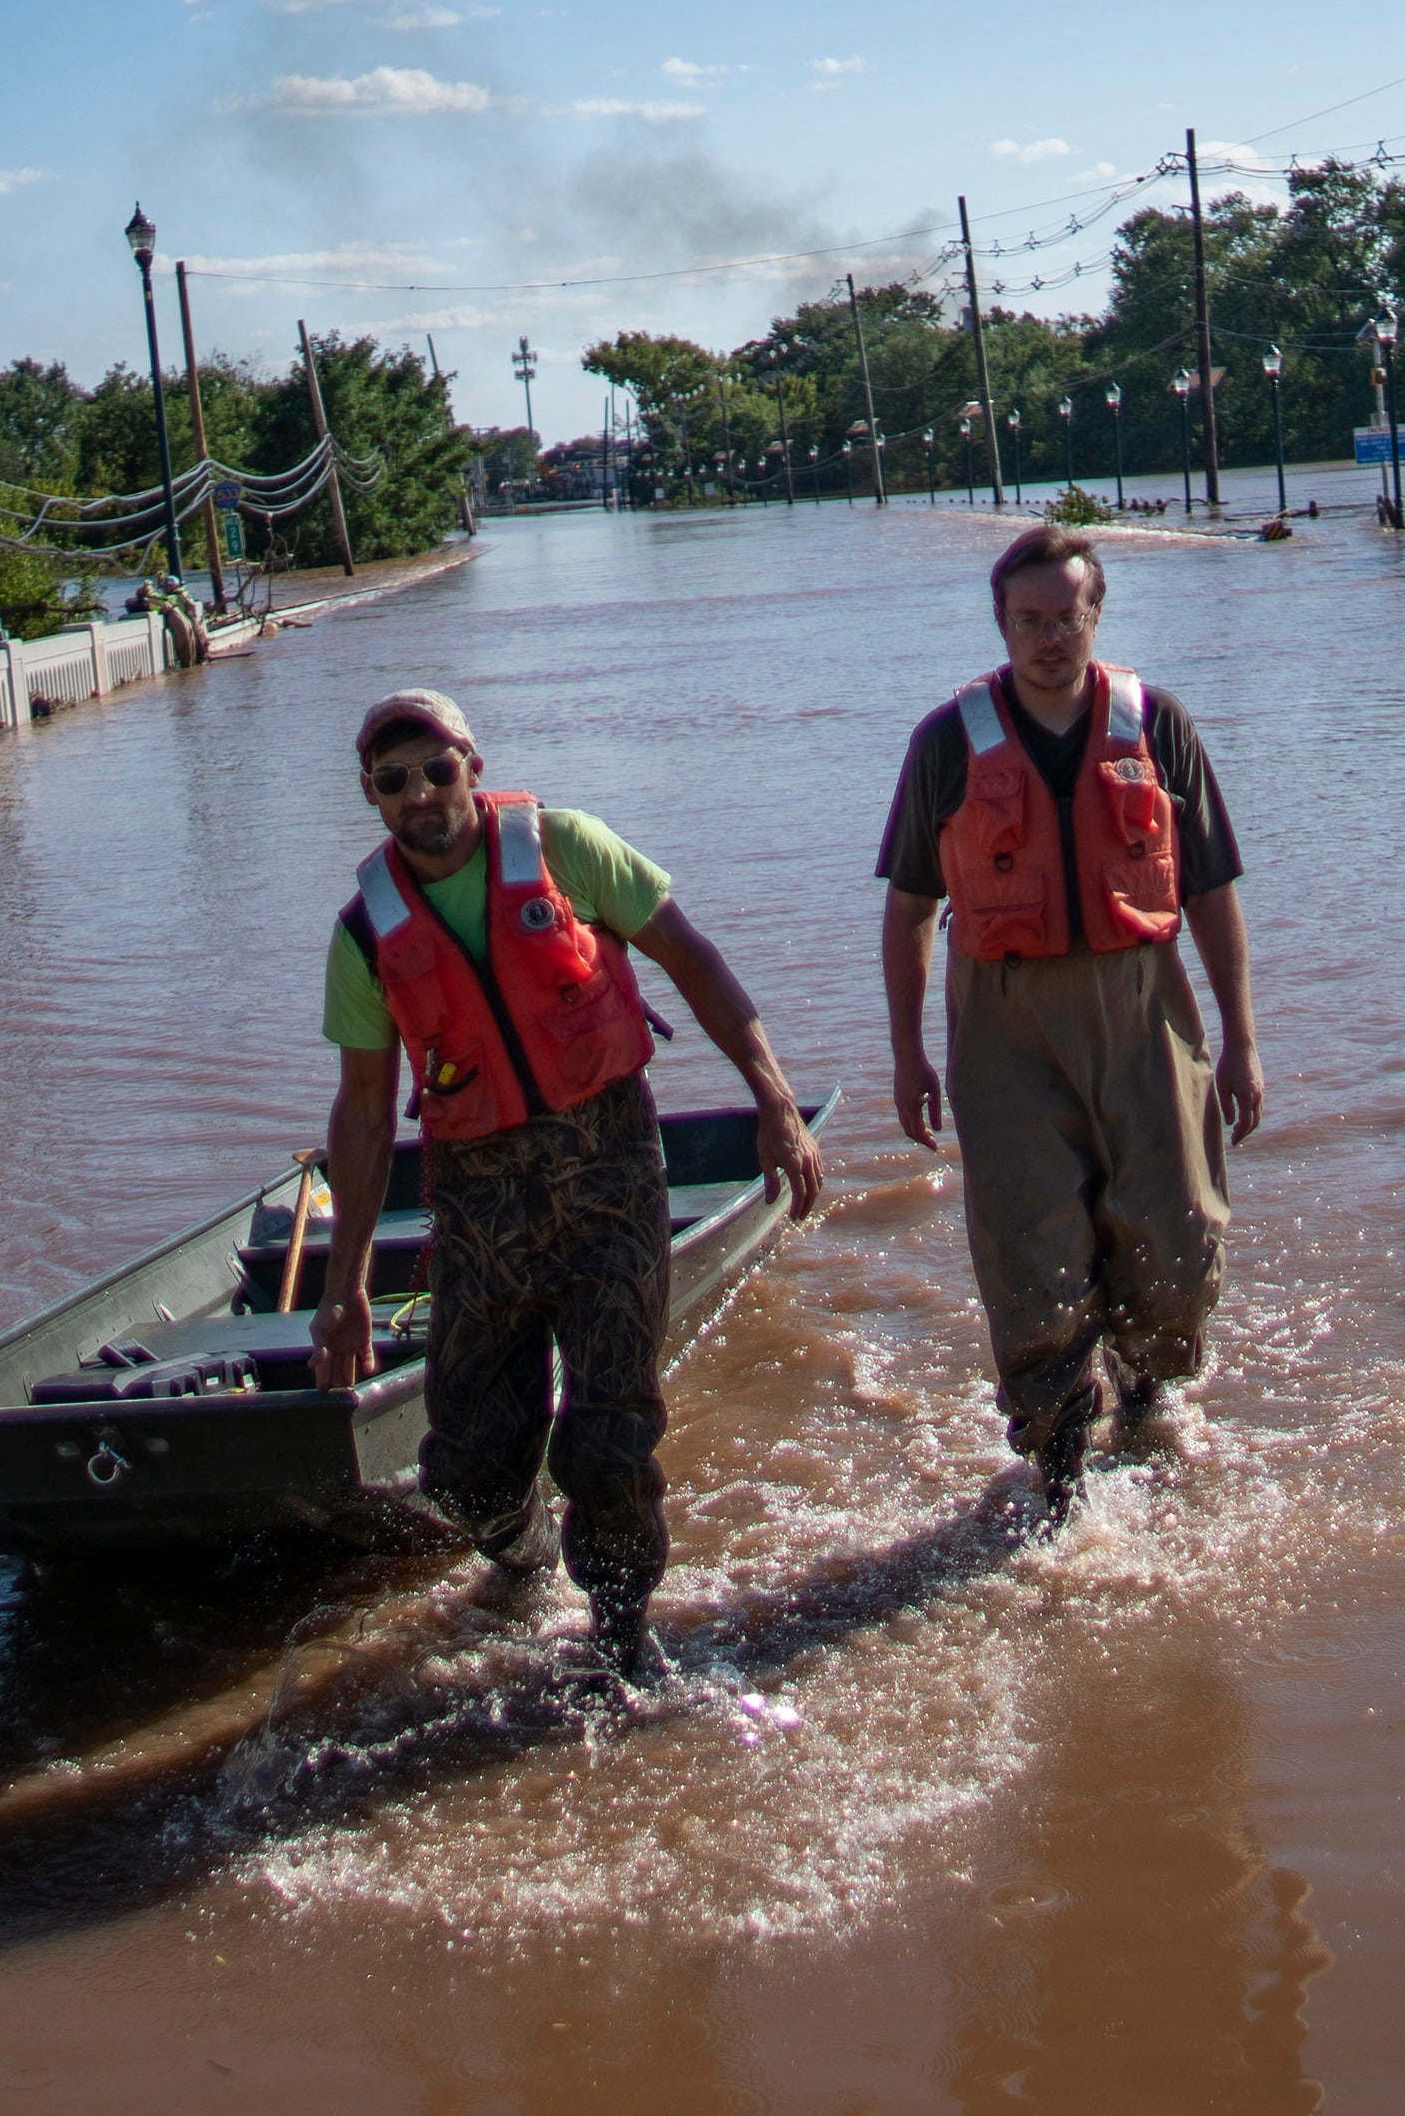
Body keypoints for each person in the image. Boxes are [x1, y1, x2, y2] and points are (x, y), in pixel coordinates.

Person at [310, 689, 821, 1675]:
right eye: (393, 780)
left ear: (471, 761)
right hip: (481, 1211)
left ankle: (621, 1642)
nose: (420, 794)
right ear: (371, 797)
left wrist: (773, 1098)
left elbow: (690, 956)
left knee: (608, 1446)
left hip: (611, 1184)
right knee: (464, 1469)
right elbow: (364, 1116)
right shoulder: (364, 934)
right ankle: (523, 1551)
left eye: (437, 769)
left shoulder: (568, 847)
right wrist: (343, 1293)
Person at [877, 525, 1262, 1524]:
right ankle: (1056, 1463)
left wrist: (1242, 1043)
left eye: (1066, 617)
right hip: (1003, 1027)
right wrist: (907, 1051)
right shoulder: (945, 742)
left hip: (1143, 1007)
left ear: (1095, 615)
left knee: (1175, 1236)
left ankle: (1145, 1387)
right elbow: (911, 907)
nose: (1049, 637)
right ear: (1001, 624)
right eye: (1028, 621)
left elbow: (1213, 891)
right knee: (1028, 1253)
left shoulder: (1157, 724)